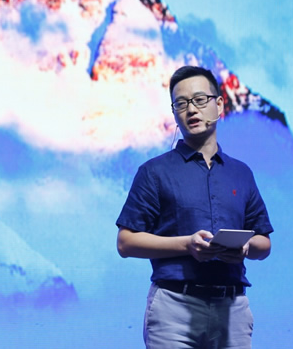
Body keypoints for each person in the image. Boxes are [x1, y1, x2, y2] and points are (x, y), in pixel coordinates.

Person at [116, 65, 273, 348]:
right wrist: (187, 244)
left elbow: (264, 243)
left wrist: (245, 247)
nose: (191, 109)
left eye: (200, 100)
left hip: (233, 308)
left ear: (219, 105)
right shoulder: (154, 172)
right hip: (174, 307)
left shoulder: (241, 173)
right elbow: (126, 243)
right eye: (181, 103)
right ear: (174, 112)